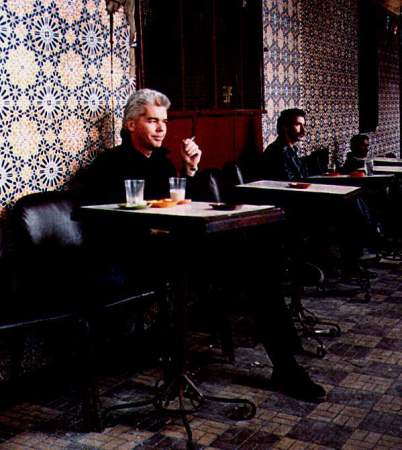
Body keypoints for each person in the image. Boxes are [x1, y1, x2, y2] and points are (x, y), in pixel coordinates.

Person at [74, 90, 325, 401]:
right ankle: (285, 359)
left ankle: (285, 364)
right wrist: (150, 231)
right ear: (130, 125)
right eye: (152, 121)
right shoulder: (108, 164)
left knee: (260, 260)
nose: (161, 128)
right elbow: (95, 219)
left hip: (174, 251)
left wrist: (189, 170)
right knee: (255, 265)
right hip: (133, 258)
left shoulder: (163, 162)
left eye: (163, 121)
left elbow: (181, 207)